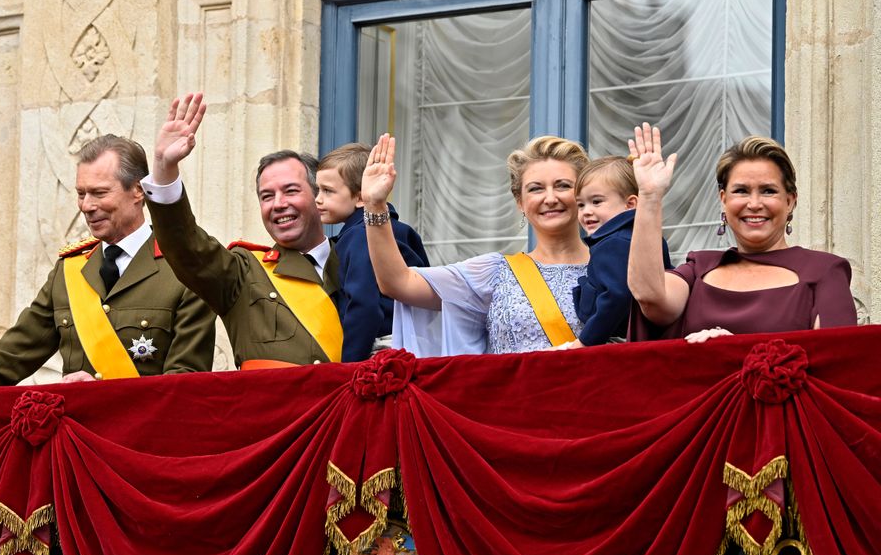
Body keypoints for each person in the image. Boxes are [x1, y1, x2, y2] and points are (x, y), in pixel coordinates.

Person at [0, 134, 217, 412]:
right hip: (72, 455)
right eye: (81, 194)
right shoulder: (71, 271)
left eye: (99, 193)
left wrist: (104, 396)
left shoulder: (182, 269)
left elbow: (186, 387)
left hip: (143, 455)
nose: (87, 207)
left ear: (138, 191)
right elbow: (6, 359)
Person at [141, 93, 343, 369]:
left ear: (318, 195)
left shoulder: (354, 259)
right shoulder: (243, 272)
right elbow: (186, 246)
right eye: (266, 196)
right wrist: (165, 170)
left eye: (291, 191)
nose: (279, 204)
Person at [362, 133, 590, 356]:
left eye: (562, 186)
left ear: (582, 195)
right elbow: (398, 283)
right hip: (514, 394)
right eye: (536, 188)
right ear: (520, 201)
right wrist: (374, 204)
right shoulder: (495, 273)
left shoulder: (612, 268)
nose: (550, 198)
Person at [627, 123, 857, 342]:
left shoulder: (825, 271)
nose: (754, 203)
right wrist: (649, 195)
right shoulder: (699, 269)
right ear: (723, 200)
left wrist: (737, 351)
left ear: (790, 201)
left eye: (768, 191)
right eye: (741, 191)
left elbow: (833, 363)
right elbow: (650, 297)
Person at [316, 143, 429, 361]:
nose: (318, 199)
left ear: (361, 197)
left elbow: (364, 306)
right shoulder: (404, 231)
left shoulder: (359, 236)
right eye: (317, 190)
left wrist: (348, 365)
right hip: (416, 346)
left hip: (376, 353)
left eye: (328, 191)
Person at [570, 156, 671, 347]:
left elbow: (616, 297)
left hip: (622, 342)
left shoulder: (612, 243)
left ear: (631, 204)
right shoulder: (649, 238)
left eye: (596, 201)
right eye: (581, 205)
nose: (586, 212)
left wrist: (584, 342)